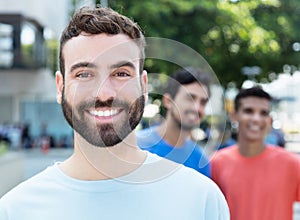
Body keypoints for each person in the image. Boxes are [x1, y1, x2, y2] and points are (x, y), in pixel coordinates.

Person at [0, 6, 229, 220]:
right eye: (84, 74)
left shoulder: (202, 200)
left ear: (144, 85)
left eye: (121, 74)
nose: (104, 93)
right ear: (60, 87)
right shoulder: (16, 211)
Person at [211, 86, 300, 220]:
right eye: (249, 111)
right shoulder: (216, 163)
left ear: (269, 120)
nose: (256, 118)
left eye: (263, 113)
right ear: (234, 116)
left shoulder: (292, 164)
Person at [137, 67, 211, 177]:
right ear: (168, 101)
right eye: (190, 98)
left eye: (203, 102)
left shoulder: (201, 162)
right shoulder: (136, 146)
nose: (197, 107)